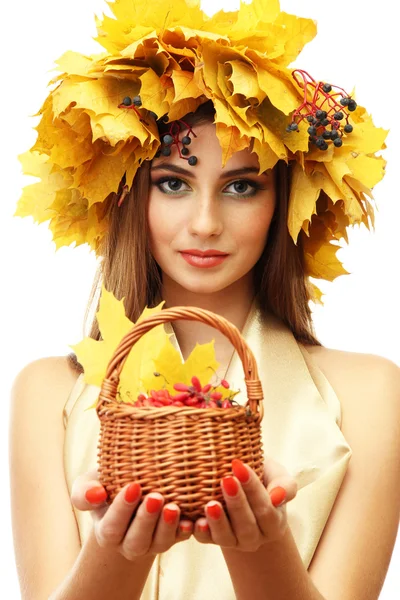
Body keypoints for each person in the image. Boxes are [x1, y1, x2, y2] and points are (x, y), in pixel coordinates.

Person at [9, 1, 400, 599]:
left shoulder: (370, 395)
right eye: (173, 183)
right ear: (124, 197)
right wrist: (115, 554)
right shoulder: (50, 395)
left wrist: (263, 549)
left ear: (283, 205)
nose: (205, 223)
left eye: (242, 186)